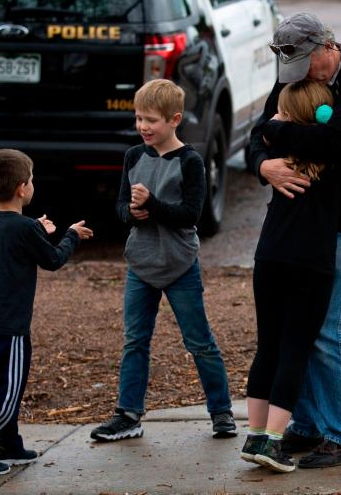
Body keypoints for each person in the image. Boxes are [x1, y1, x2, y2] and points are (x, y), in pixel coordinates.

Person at [246, 12, 341, 468]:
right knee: (299, 331)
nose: (301, 77)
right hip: (307, 228)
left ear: (327, 48)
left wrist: (277, 131)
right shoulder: (297, 76)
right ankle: (306, 425)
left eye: (307, 65)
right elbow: (257, 133)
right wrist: (262, 164)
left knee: (327, 331)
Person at [90, 79, 236, 443]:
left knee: (199, 342)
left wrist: (152, 205)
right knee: (135, 340)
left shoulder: (190, 161)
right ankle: (127, 414)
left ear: (174, 120)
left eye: (151, 120)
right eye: (139, 118)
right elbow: (120, 207)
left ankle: (221, 412)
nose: (143, 127)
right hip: (141, 263)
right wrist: (132, 212)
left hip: (180, 263)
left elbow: (191, 215)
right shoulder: (133, 157)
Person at [0, 149, 93, 476]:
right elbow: (53, 259)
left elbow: (18, 240)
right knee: (2, 388)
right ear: (21, 187)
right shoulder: (24, 228)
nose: (33, 184)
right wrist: (71, 235)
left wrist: (35, 229)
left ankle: (7, 443)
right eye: (31, 180)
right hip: (9, 325)